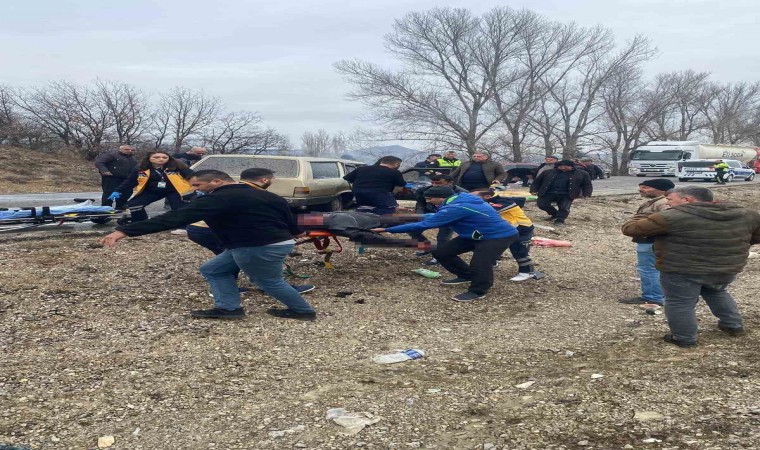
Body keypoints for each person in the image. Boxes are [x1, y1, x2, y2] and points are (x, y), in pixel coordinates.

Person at [100, 169, 317, 321]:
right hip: (269, 243)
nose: (195, 190)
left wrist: (125, 230)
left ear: (216, 182)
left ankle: (302, 310)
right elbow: (291, 222)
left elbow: (174, 218)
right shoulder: (268, 195)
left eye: (198, 185)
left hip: (256, 245)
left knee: (268, 280)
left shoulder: (217, 198)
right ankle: (228, 308)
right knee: (213, 269)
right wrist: (295, 235)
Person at [621, 186, 760, 348]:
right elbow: (755, 236)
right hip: (726, 267)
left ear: (687, 199)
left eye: (671, 200)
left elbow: (630, 229)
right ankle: (733, 325)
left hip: (681, 268)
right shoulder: (747, 214)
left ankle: (684, 338)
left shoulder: (672, 216)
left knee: (679, 302)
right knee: (717, 292)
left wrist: (643, 215)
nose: (668, 204)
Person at [372, 186, 518, 302]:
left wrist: (387, 229)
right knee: (441, 252)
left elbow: (425, 225)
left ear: (440, 198)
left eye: (430, 199)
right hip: (475, 235)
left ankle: (478, 290)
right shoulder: (458, 200)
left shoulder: (457, 207)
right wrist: (406, 217)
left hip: (497, 236)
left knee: (480, 263)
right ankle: (466, 275)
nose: (428, 201)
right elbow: (435, 216)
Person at [186, 167, 315, 295]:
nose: (272, 182)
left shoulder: (237, 189)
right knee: (243, 257)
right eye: (272, 180)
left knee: (234, 259)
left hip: (199, 228)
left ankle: (230, 290)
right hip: (207, 230)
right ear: (264, 180)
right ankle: (269, 287)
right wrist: (297, 231)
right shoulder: (259, 194)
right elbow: (281, 218)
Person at [618, 178, 675, 306]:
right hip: (650, 241)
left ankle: (653, 297)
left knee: (649, 269)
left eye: (646, 187)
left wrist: (639, 224)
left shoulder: (663, 203)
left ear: (662, 190)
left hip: (651, 242)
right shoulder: (657, 202)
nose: (641, 190)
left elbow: (667, 222)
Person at [471, 188, 539, 281]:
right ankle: (492, 262)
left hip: (522, 229)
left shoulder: (505, 202)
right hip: (503, 229)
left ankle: (527, 272)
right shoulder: (485, 202)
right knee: (484, 244)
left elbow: (488, 212)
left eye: (473, 196)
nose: (470, 198)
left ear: (487, 196)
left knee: (519, 250)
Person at [109, 151, 194, 222]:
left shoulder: (178, 166)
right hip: (152, 191)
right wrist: (118, 190)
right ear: (149, 158)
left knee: (179, 208)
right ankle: (141, 222)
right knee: (134, 205)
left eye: (164, 157)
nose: (161, 159)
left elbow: (193, 177)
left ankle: (183, 226)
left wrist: (197, 188)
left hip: (174, 191)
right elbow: (130, 181)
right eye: (156, 157)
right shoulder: (141, 169)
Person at [410, 175, 467, 265]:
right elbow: (420, 204)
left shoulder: (462, 193)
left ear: (450, 183)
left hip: (449, 216)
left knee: (442, 237)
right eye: (433, 182)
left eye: (438, 183)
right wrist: (420, 215)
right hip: (431, 214)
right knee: (413, 229)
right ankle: (426, 248)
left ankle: (439, 257)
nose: (434, 185)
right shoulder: (424, 190)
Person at [530, 159, 592, 225]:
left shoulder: (582, 173)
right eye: (560, 166)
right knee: (542, 204)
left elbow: (587, 184)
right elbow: (537, 182)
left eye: (565, 166)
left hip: (568, 194)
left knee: (564, 207)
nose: (562, 168)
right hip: (547, 192)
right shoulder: (548, 172)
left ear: (571, 166)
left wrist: (587, 193)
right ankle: (554, 214)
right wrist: (533, 190)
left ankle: (560, 220)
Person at [93, 144, 137, 209]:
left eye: (131, 150)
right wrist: (104, 170)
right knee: (109, 195)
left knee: (125, 194)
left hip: (126, 179)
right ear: (120, 149)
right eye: (127, 149)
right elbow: (99, 162)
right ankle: (106, 211)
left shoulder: (133, 159)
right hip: (112, 178)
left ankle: (120, 209)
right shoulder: (112, 155)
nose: (129, 151)